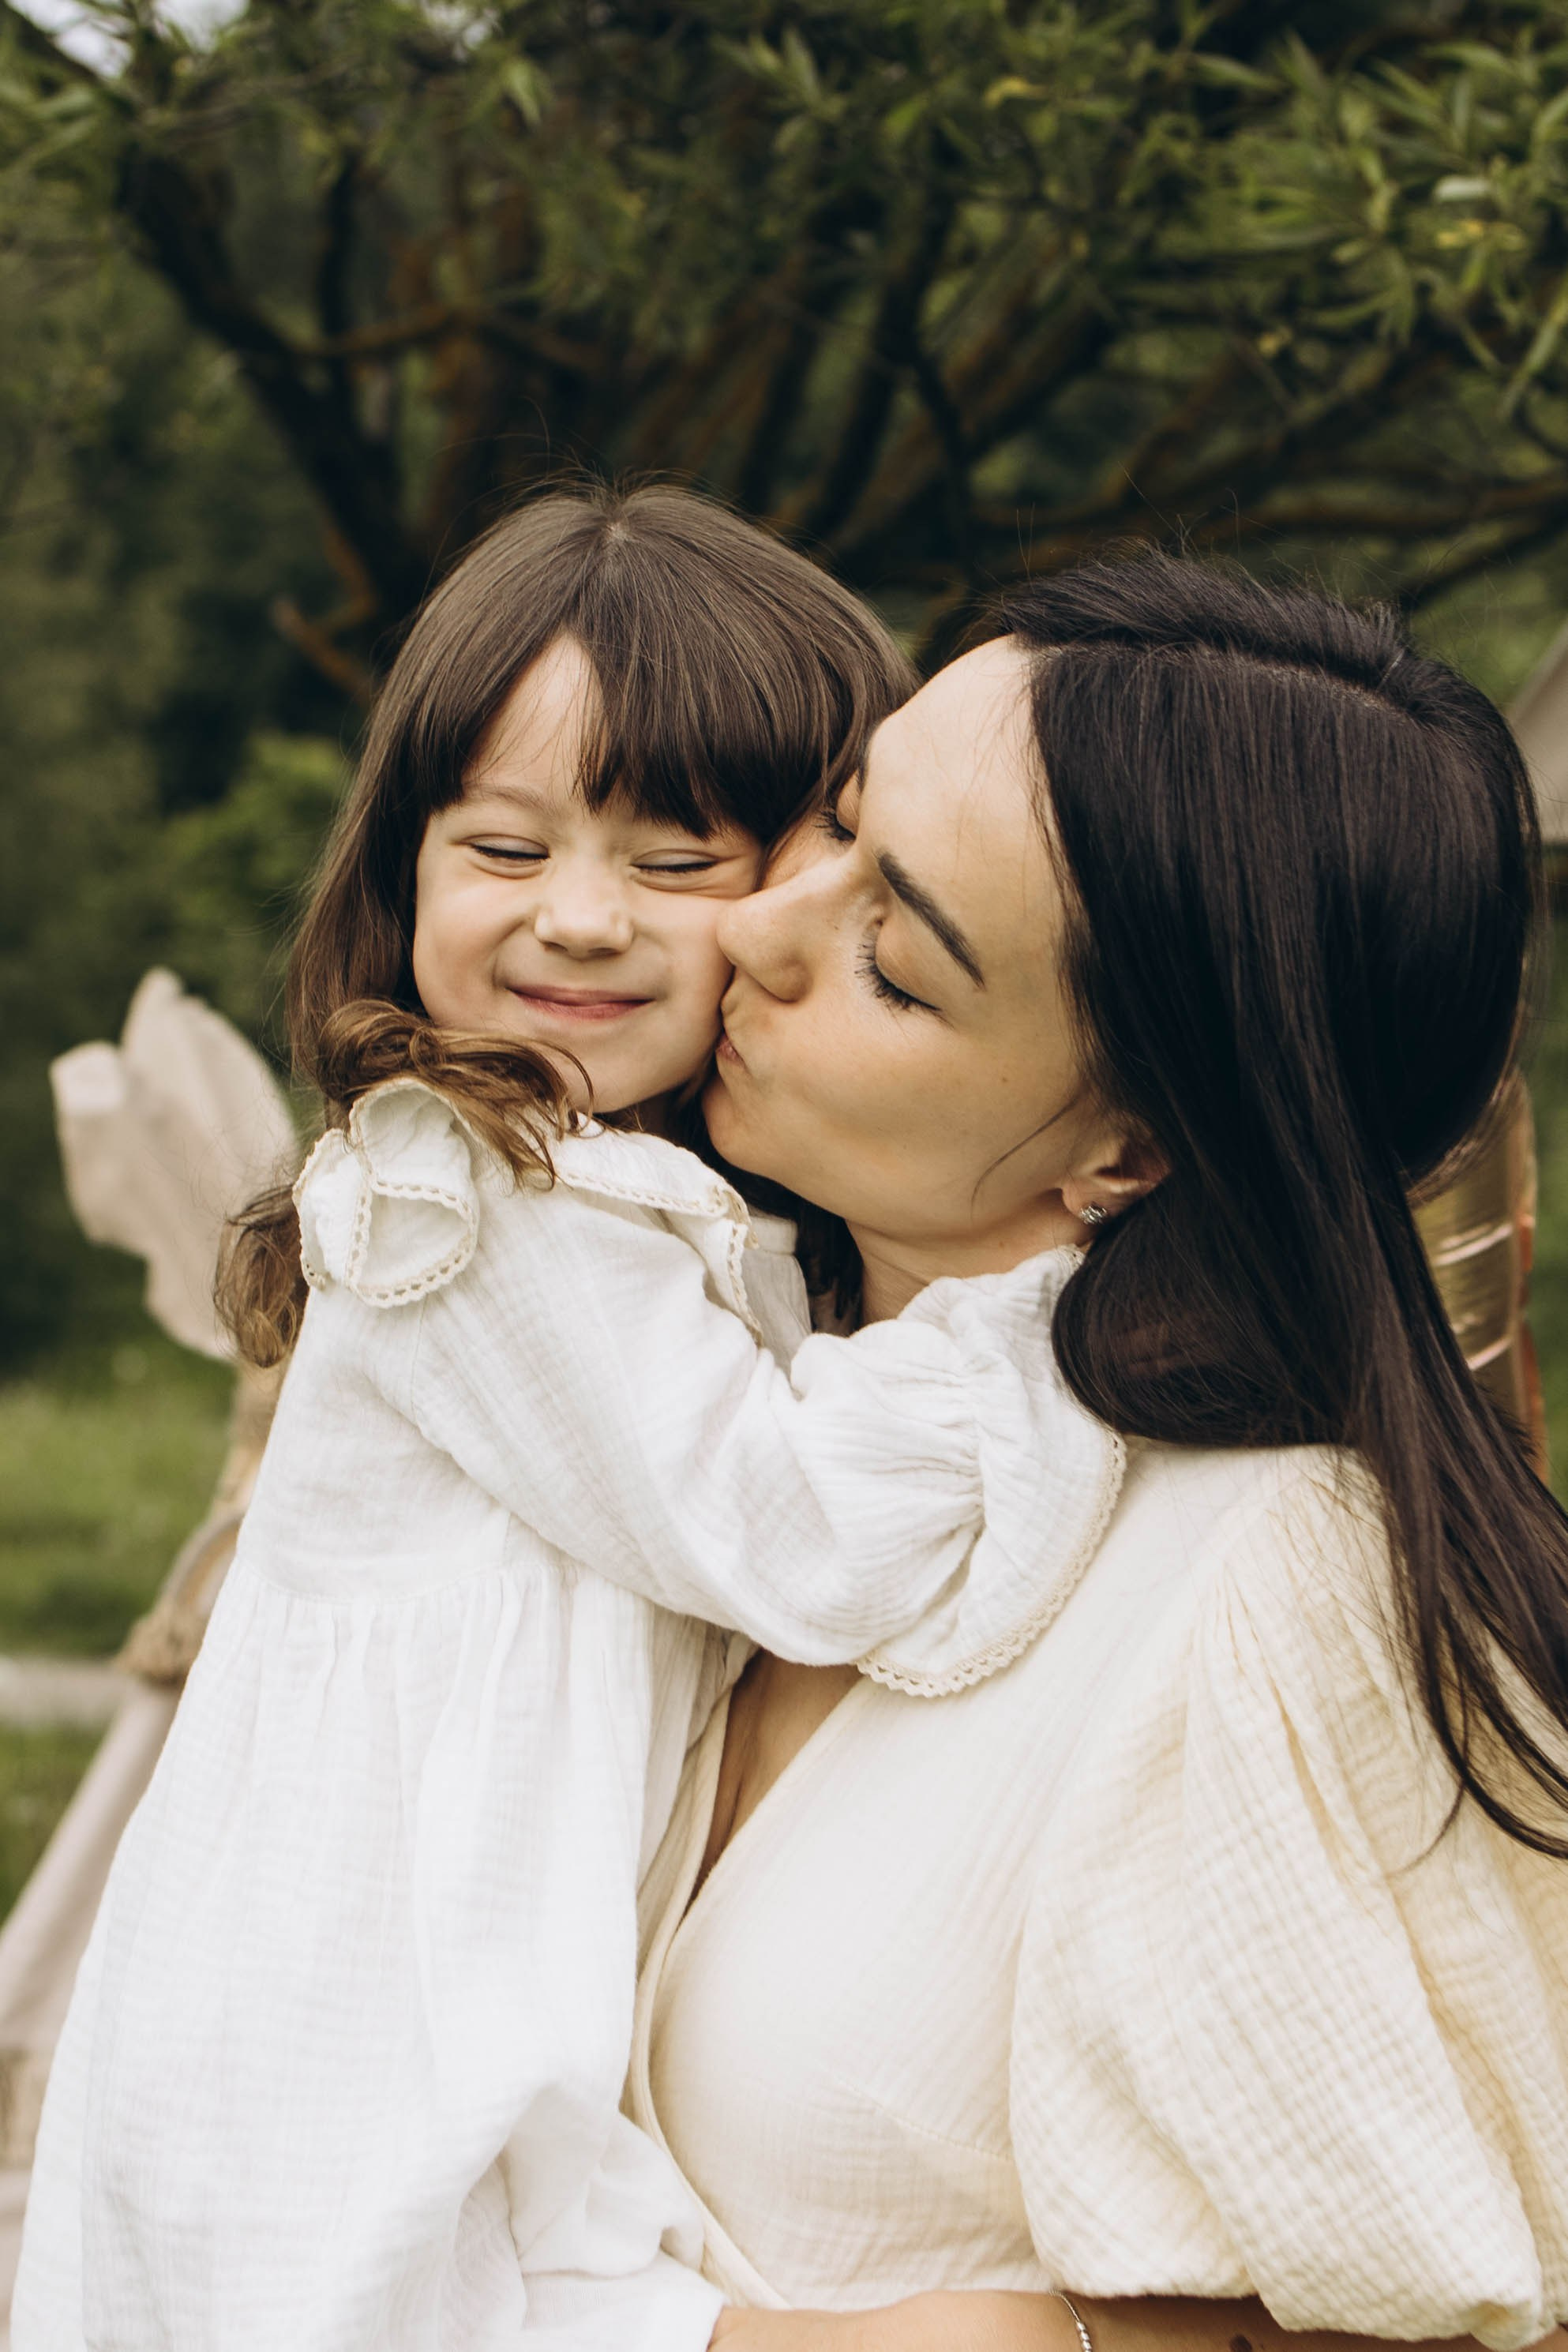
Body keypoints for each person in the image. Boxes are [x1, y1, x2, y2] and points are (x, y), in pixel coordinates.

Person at [17, 486, 1119, 2352]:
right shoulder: (459, 1190)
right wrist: (1057, 1283)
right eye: (502, 844)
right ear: (406, 862)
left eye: (675, 859)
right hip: (350, 2033)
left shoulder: (639, 1202)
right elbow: (800, 1531)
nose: (578, 918)